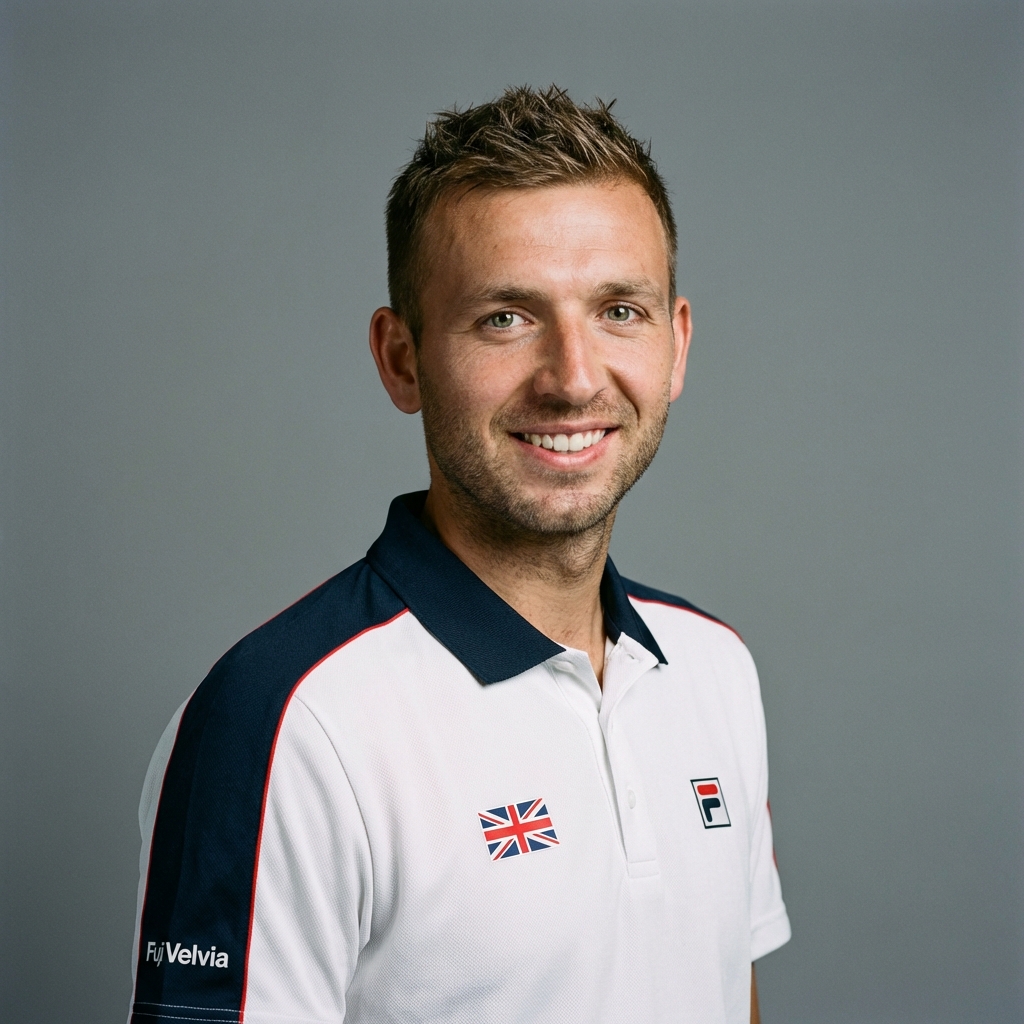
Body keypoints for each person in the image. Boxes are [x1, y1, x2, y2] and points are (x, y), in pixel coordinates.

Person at [127, 85, 790, 1024]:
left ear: (675, 346)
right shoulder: (285, 723)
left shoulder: (715, 668)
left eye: (619, 310)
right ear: (401, 358)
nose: (573, 378)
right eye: (505, 317)